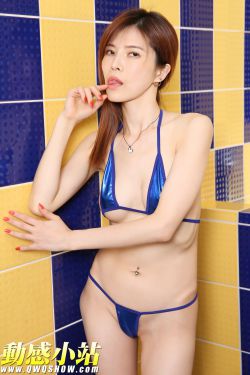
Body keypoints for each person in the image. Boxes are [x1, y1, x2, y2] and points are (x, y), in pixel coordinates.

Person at [3, 8, 213, 375]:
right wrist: (67, 121)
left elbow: (163, 226)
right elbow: (43, 201)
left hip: (169, 312)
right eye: (110, 52)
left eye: (133, 54)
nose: (115, 64)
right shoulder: (102, 141)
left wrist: (70, 239)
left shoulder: (192, 129)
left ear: (161, 71)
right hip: (103, 299)